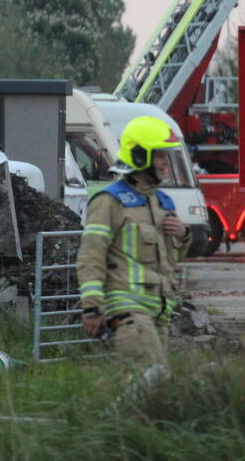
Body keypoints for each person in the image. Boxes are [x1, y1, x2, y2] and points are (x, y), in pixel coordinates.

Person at [76, 116, 190, 368]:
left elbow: (173, 258)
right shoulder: (109, 201)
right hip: (127, 308)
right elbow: (90, 256)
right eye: (159, 156)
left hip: (159, 312)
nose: (165, 163)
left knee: (153, 388)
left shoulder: (163, 202)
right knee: (151, 376)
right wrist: (92, 307)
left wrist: (183, 234)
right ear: (140, 157)